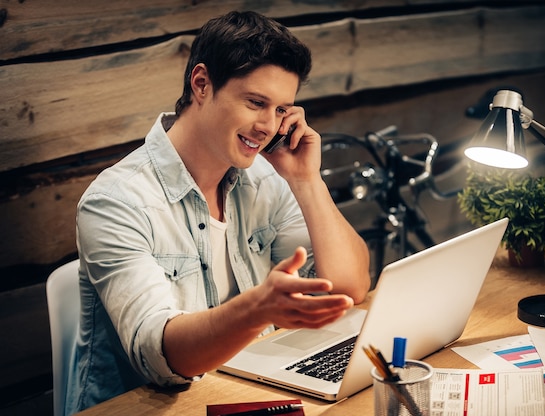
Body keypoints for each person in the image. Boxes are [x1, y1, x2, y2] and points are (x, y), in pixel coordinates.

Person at [66, 10, 370, 415]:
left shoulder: (266, 177)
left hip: (242, 392)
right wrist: (257, 309)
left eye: (282, 110)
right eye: (256, 102)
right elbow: (160, 355)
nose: (268, 126)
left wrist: (306, 181)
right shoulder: (117, 201)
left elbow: (348, 288)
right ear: (202, 84)